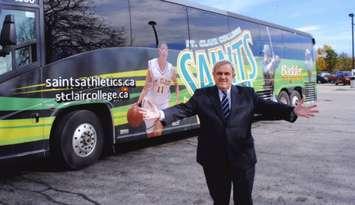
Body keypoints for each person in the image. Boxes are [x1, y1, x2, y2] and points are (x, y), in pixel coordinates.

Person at [140, 60, 318, 205]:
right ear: (214, 76)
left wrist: (291, 110)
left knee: (244, 200)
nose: (223, 77)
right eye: (219, 74)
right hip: (213, 160)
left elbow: (268, 107)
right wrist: (161, 114)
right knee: (220, 200)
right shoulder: (203, 95)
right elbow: (183, 109)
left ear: (233, 76)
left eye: (227, 73)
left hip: (243, 159)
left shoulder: (247, 94)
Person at [137, 42, 179, 137]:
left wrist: (177, 100)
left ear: (168, 52)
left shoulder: (171, 69)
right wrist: (138, 102)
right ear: (159, 51)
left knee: (158, 131)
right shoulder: (152, 65)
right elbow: (146, 86)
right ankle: (150, 151)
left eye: (166, 49)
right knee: (150, 133)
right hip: (150, 101)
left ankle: (157, 150)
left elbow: (176, 84)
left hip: (163, 102)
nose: (164, 51)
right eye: (162, 49)